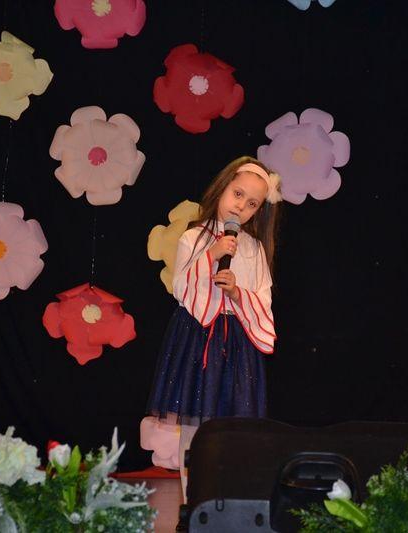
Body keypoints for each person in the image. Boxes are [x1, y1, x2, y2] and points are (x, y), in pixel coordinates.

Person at [145, 155, 282, 497]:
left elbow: (263, 300)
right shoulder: (193, 237)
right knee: (192, 422)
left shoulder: (254, 249)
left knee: (232, 424)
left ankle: (224, 497)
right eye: (238, 194)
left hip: (236, 343)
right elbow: (181, 287)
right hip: (197, 339)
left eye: (252, 203)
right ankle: (191, 497)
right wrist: (212, 254)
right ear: (223, 188)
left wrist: (236, 292)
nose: (241, 206)